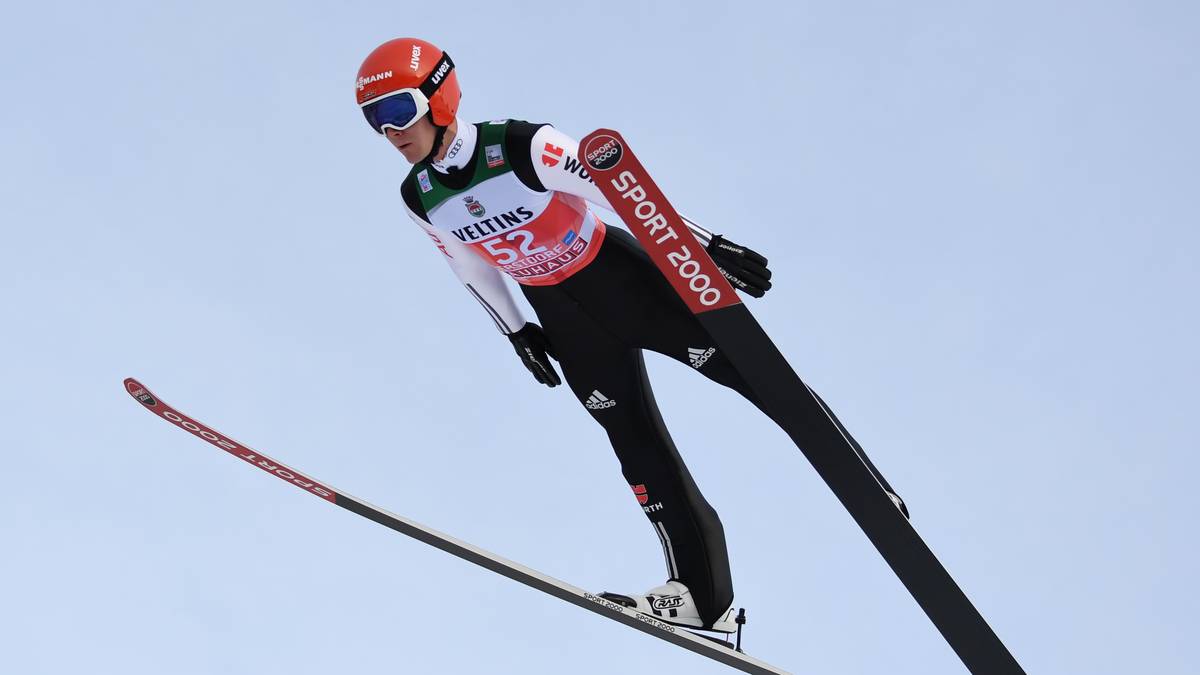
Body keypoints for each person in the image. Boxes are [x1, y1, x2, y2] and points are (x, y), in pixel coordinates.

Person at [356, 37, 783, 633]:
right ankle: (700, 595)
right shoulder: (418, 197)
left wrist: (702, 246)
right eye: (374, 119)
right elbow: (468, 263)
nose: (390, 131)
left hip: (624, 281)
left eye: (398, 110)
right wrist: (516, 331)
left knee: (752, 375)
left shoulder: (523, 144)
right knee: (632, 442)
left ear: (439, 96)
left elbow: (620, 192)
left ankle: (863, 482)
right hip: (565, 320)